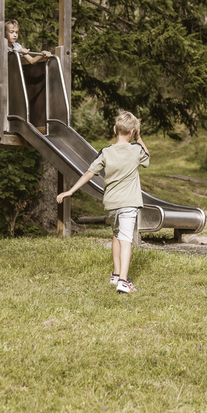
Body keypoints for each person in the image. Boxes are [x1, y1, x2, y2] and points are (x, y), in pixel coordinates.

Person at [57, 111, 149, 294]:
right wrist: (139, 138)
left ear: (115, 129)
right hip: (129, 202)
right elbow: (147, 158)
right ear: (132, 132)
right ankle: (123, 281)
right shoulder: (136, 149)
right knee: (126, 239)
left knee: (116, 234)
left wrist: (71, 191)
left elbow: (89, 173)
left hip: (112, 204)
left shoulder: (106, 152)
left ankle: (115, 274)